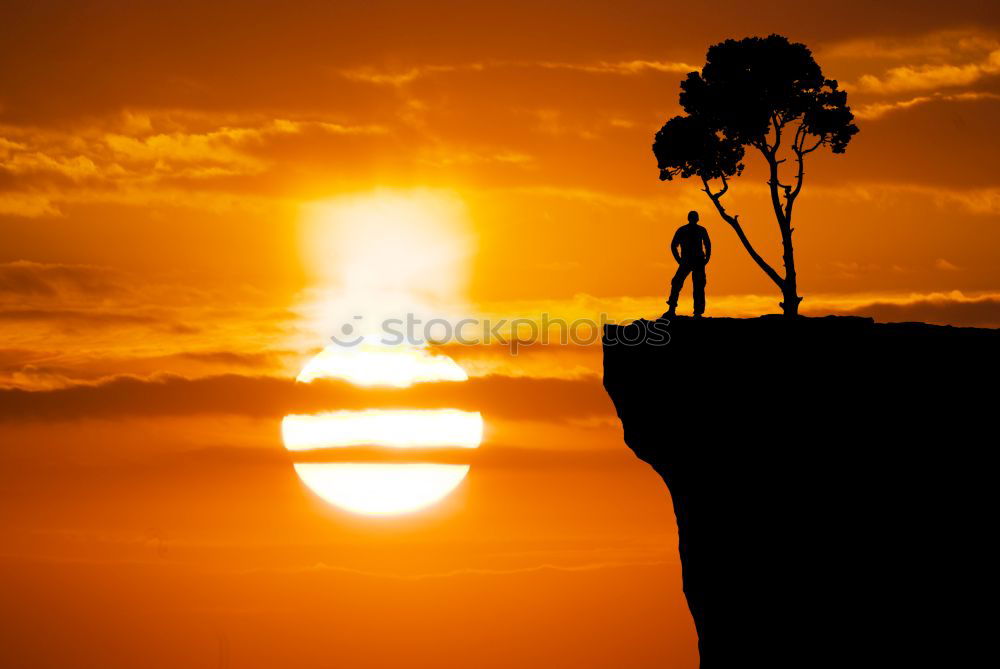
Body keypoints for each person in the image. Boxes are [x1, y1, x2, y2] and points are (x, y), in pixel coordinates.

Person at [666, 211, 711, 318]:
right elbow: (673, 245)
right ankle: (673, 309)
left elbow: (708, 244)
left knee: (697, 285)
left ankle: (697, 312)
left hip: (695, 261)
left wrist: (707, 258)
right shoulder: (685, 230)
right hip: (688, 261)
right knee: (678, 282)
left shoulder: (698, 230)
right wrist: (679, 260)